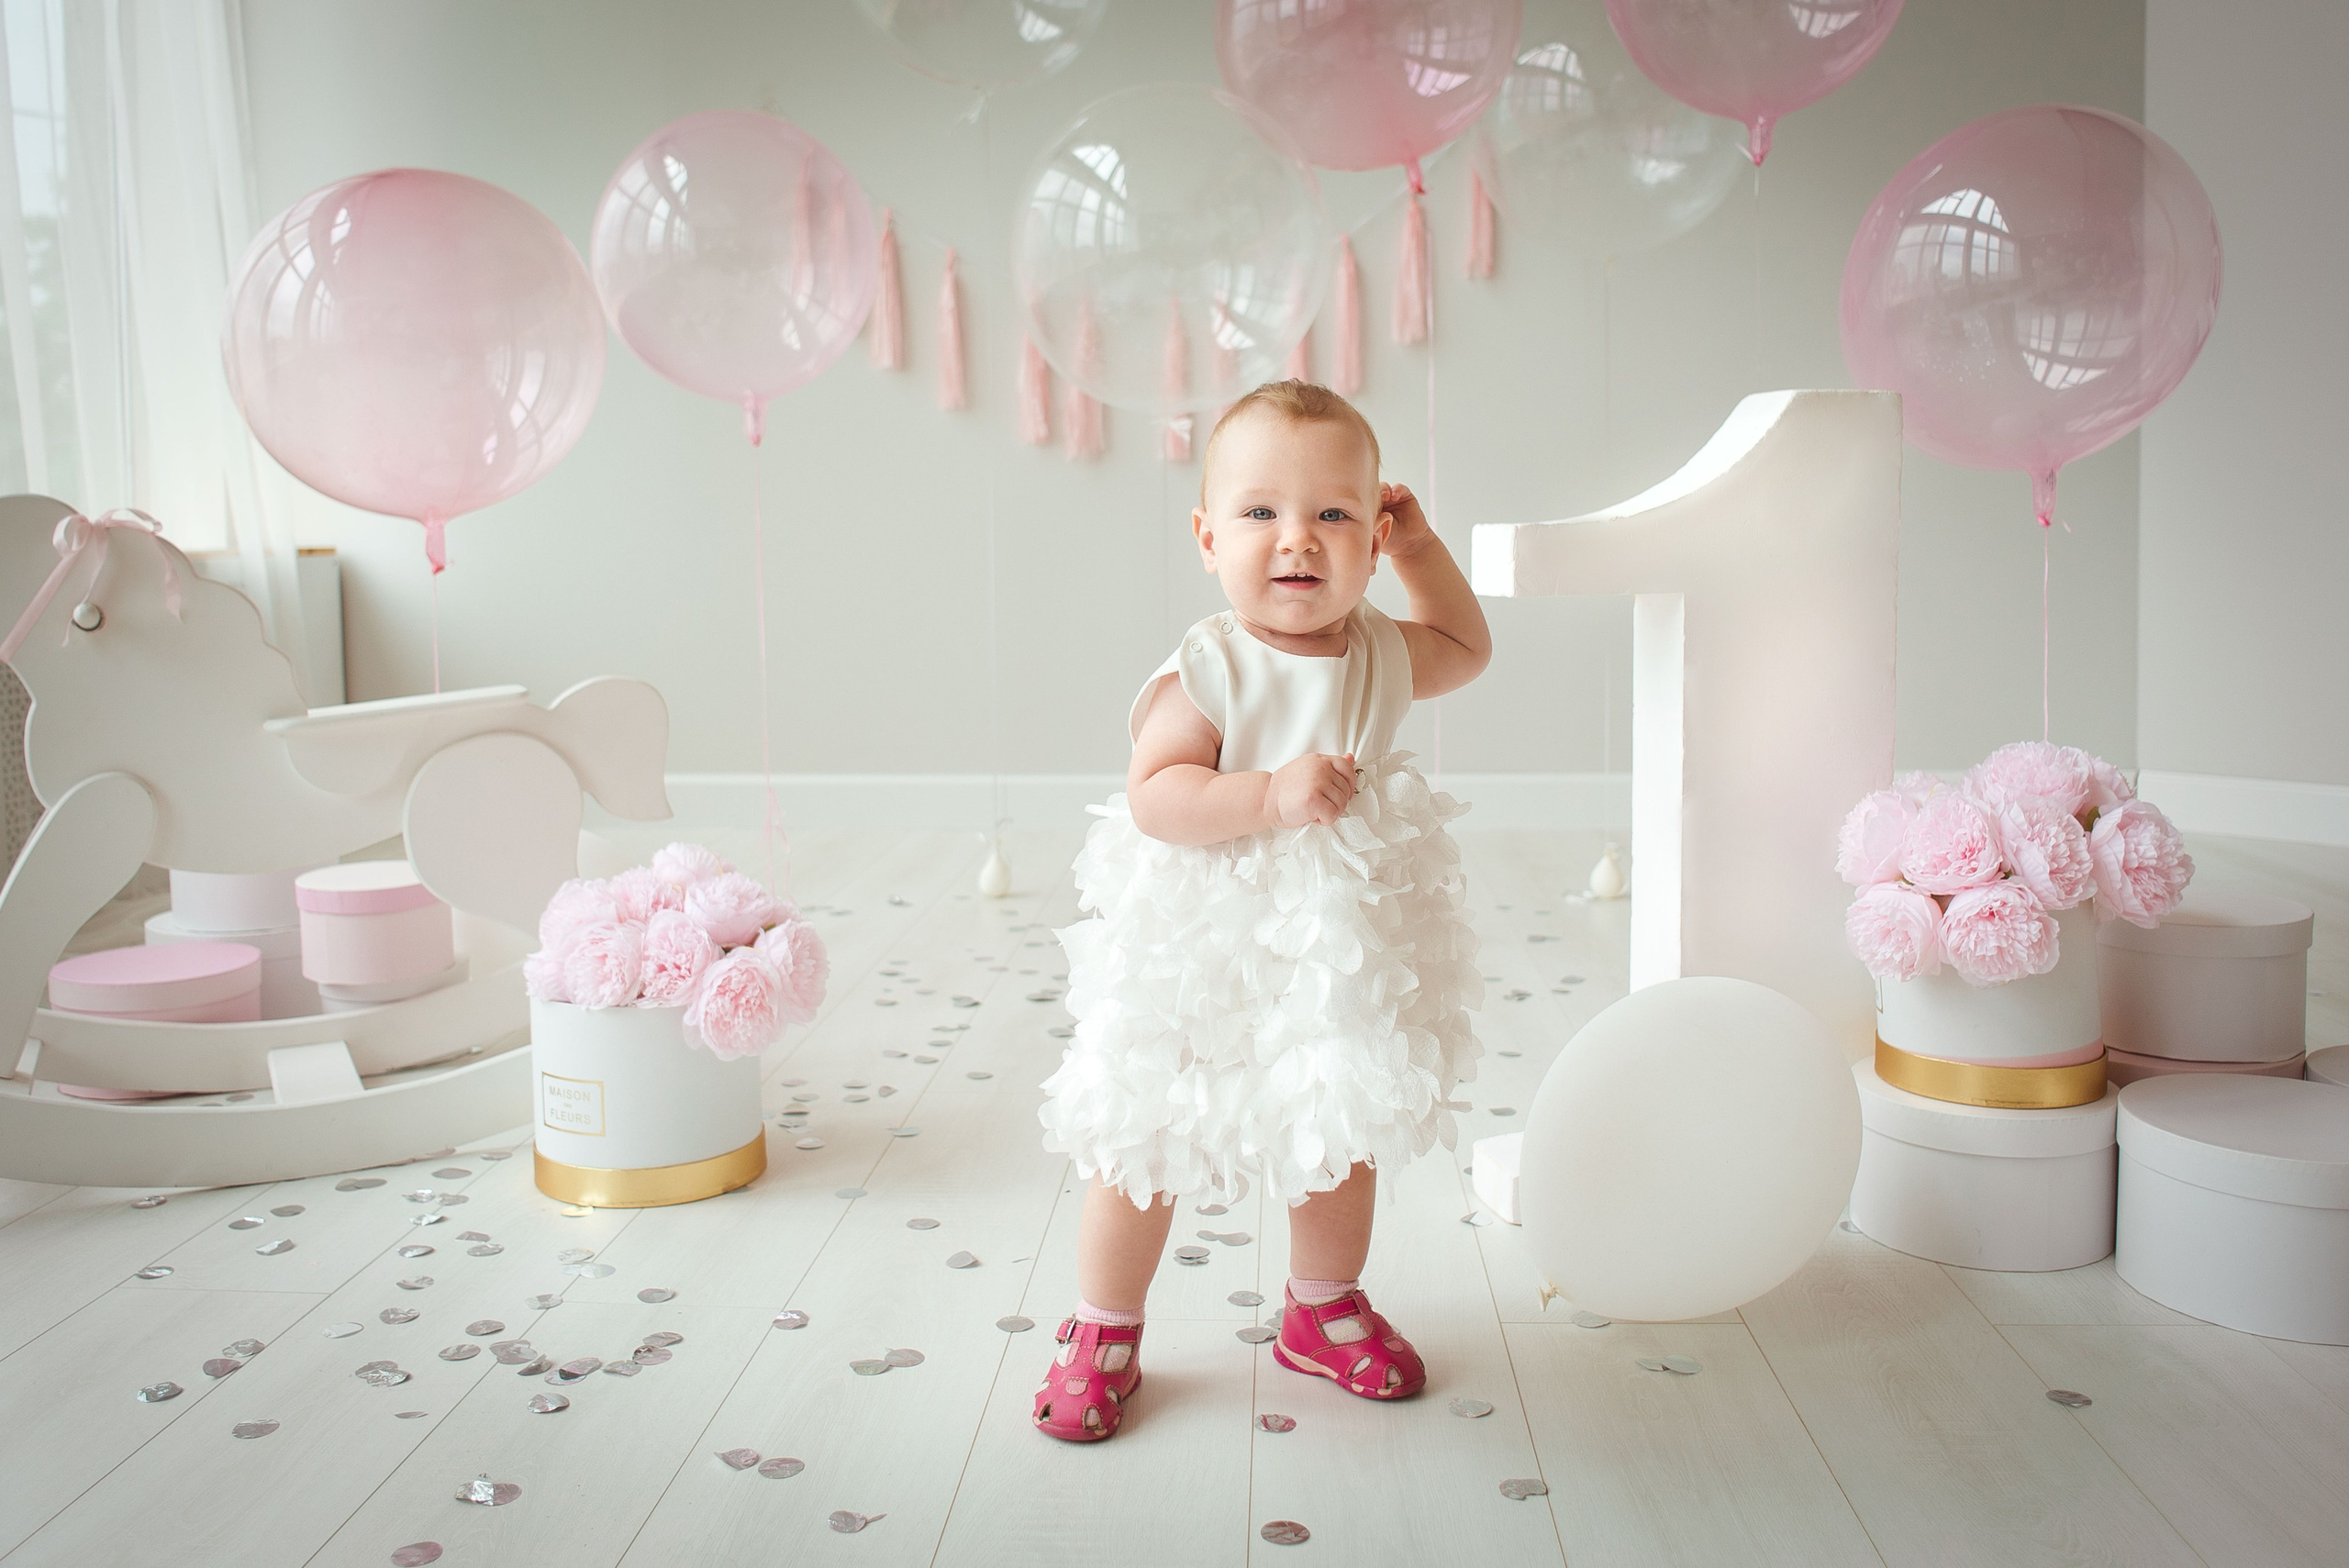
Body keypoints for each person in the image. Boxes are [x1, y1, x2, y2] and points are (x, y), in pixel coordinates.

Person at [1033, 379, 1490, 1441]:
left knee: (1337, 1119)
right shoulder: (1209, 664)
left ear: (1372, 538)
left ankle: (1320, 1305)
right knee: (1149, 1129)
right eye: (1259, 513)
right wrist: (1267, 795)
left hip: (1336, 936)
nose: (1297, 540)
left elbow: (1465, 649)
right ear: (1206, 536)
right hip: (1207, 931)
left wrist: (1424, 555)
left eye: (1334, 514)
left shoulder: (1380, 644)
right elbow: (1157, 796)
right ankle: (1105, 1322)